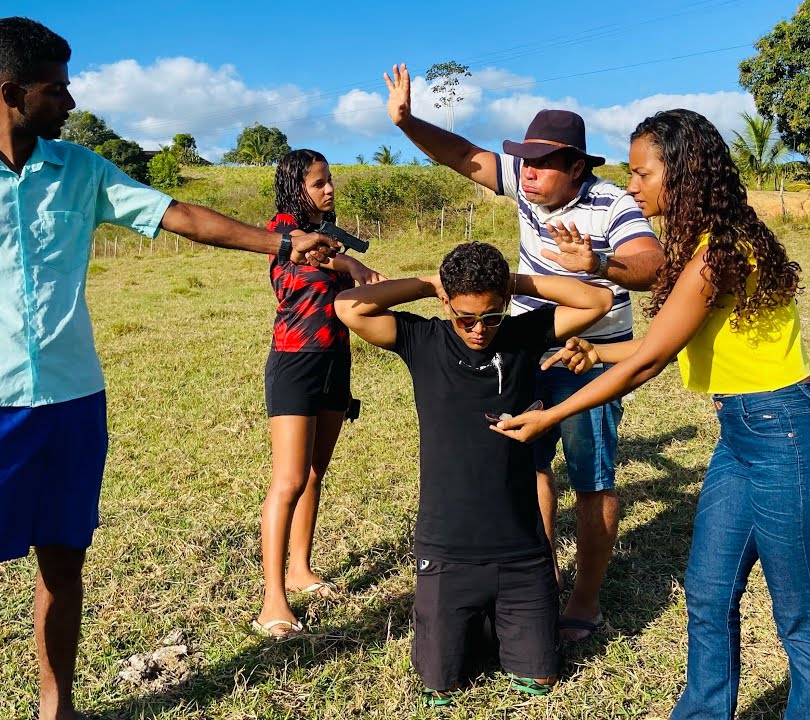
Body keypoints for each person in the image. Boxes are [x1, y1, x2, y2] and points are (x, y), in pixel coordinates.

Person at [0, 18, 336, 720]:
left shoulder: (81, 170)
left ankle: (57, 708)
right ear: (11, 91)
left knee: (65, 563)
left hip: (74, 401)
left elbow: (179, 215)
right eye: (56, 89)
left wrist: (281, 244)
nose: (70, 101)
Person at [492, 109, 810, 719]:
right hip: (741, 440)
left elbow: (651, 361)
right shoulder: (705, 247)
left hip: (790, 438)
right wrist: (596, 350)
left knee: (800, 615)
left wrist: (550, 417)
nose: (632, 186)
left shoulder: (718, 253)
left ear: (682, 172)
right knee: (708, 593)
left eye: (643, 173)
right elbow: (660, 341)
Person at [384, 64, 664, 641]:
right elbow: (463, 155)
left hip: (590, 355)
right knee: (529, 463)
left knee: (591, 478)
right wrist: (408, 121)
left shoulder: (612, 205)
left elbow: (651, 265)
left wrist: (598, 264)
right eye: (524, 161)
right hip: (524, 348)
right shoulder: (528, 183)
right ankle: (541, 573)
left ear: (577, 168)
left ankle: (584, 601)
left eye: (542, 163)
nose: (527, 172)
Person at [334, 241, 613, 706]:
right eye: (466, 318)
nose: (479, 330)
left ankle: (496, 621)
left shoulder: (522, 334)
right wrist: (429, 284)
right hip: (447, 551)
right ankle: (476, 623)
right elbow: (348, 306)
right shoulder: (421, 339)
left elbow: (597, 300)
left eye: (491, 316)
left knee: (540, 678)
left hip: (522, 552)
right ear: (447, 303)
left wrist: (511, 283)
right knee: (442, 684)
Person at [255, 149, 384, 637]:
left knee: (313, 475)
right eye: (318, 182)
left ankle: (300, 570)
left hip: (335, 360)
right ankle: (272, 600)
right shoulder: (284, 232)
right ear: (296, 187)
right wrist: (348, 262)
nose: (329, 189)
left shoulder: (327, 234)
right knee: (288, 480)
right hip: (295, 362)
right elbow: (305, 265)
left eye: (330, 180)